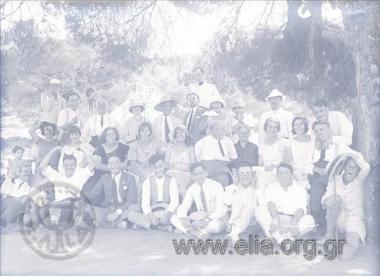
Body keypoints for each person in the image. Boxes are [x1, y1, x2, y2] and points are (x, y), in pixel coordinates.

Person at [321, 151, 370, 260]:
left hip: (354, 220)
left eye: (354, 168)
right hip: (338, 218)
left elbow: (366, 167)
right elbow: (324, 199)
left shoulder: (360, 180)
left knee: (346, 255)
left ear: (358, 170)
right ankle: (329, 236)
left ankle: (345, 246)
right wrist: (328, 201)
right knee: (335, 198)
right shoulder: (335, 179)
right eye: (349, 166)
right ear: (344, 167)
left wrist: (350, 154)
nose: (351, 170)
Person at [309, 121, 351, 238]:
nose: (319, 133)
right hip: (315, 175)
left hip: (331, 176)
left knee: (318, 185)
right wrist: (315, 168)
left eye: (322, 129)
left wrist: (338, 169)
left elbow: (355, 156)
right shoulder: (314, 148)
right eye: (316, 131)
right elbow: (307, 163)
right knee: (314, 183)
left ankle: (322, 227)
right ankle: (318, 224)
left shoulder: (338, 146)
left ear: (328, 130)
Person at [255, 163, 315, 244]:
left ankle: (282, 238)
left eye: (286, 173)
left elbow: (301, 208)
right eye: (280, 173)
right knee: (259, 210)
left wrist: (294, 222)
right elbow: (270, 204)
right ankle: (281, 239)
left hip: (292, 220)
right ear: (277, 175)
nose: (283, 176)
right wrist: (275, 219)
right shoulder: (271, 187)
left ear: (291, 174)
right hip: (276, 220)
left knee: (310, 220)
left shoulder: (300, 189)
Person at [39, 147, 95, 224]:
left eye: (72, 165)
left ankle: (77, 221)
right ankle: (54, 221)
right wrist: (53, 150)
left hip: (74, 208)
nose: (69, 167)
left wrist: (84, 151)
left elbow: (92, 166)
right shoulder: (56, 176)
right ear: (63, 166)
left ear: (75, 165)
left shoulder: (80, 175)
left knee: (79, 202)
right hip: (60, 208)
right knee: (54, 204)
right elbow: (42, 166)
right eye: (67, 165)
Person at [171, 162, 227, 237]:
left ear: (206, 173)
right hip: (199, 219)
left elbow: (221, 210)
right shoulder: (192, 188)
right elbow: (184, 206)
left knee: (214, 227)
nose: (199, 177)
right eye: (195, 174)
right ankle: (198, 233)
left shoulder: (216, 186)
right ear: (192, 176)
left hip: (215, 219)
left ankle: (189, 230)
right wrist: (183, 217)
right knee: (174, 218)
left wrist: (206, 220)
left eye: (201, 173)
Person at [89, 155, 142, 229]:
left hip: (125, 208)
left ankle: (105, 223)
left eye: (116, 162)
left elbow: (131, 200)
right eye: (110, 163)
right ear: (108, 165)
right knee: (89, 209)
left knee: (135, 208)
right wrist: (80, 197)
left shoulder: (130, 178)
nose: (113, 165)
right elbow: (93, 193)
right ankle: (121, 224)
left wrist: (117, 213)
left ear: (121, 164)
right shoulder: (104, 178)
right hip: (109, 208)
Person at [140, 154, 179, 231]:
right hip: (153, 210)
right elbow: (145, 204)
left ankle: (152, 226)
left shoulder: (172, 180)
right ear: (151, 169)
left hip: (167, 209)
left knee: (177, 215)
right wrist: (150, 215)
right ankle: (162, 226)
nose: (158, 170)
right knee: (132, 215)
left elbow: (175, 201)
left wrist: (167, 213)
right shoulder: (147, 182)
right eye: (155, 168)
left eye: (160, 166)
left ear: (164, 165)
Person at [195, 121, 237, 186]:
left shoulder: (228, 141)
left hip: (222, 173)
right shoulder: (202, 142)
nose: (223, 131)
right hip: (208, 174)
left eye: (223, 128)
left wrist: (222, 164)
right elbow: (198, 159)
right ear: (212, 130)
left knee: (223, 191)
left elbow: (234, 157)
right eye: (220, 129)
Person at [224, 164, 258, 243]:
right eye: (242, 174)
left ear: (252, 175)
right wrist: (235, 185)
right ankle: (233, 235)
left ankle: (231, 225)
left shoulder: (257, 187)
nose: (245, 176)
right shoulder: (232, 187)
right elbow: (226, 201)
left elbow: (263, 203)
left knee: (246, 206)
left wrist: (255, 189)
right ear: (238, 176)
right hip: (238, 219)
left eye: (247, 173)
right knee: (239, 199)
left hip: (252, 220)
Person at [165, 126, 196, 198]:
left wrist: (185, 169)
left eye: (183, 133)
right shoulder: (170, 147)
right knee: (178, 181)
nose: (181, 135)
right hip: (172, 172)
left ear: (186, 135)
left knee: (181, 183)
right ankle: (184, 203)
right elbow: (165, 164)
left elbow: (194, 165)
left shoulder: (190, 148)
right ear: (175, 136)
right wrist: (175, 169)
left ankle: (181, 203)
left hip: (186, 173)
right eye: (178, 134)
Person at [257, 118, 288, 188]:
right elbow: (260, 163)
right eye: (270, 127)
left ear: (278, 129)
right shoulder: (262, 144)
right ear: (266, 128)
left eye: (275, 127)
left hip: (278, 171)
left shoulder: (281, 142)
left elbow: (286, 162)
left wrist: (274, 166)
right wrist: (265, 167)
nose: (272, 129)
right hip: (265, 172)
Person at [1, 161, 32, 228]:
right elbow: (3, 191)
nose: (28, 174)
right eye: (26, 171)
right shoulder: (12, 181)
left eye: (30, 172)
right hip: (5, 204)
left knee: (20, 201)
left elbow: (24, 201)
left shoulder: (29, 187)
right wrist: (9, 179)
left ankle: (2, 222)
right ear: (19, 173)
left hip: (17, 209)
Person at [286, 117, 314, 189]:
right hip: (296, 172)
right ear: (293, 127)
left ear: (305, 125)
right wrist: (292, 174)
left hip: (310, 171)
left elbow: (316, 157)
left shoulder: (313, 140)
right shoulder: (290, 141)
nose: (298, 127)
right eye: (296, 125)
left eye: (301, 124)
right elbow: (288, 161)